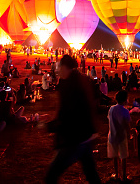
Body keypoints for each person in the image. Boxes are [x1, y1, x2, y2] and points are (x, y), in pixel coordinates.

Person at [46, 55, 100, 184]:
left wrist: (50, 126)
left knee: (51, 175)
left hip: (73, 138)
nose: (57, 70)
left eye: (59, 67)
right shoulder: (81, 80)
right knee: (91, 174)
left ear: (65, 67)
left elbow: (69, 113)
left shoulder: (70, 86)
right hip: (86, 135)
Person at [107, 90, 131, 182]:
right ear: (125, 99)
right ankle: (124, 176)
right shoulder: (125, 111)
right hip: (121, 137)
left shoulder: (111, 109)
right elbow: (126, 125)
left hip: (112, 136)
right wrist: (129, 134)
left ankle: (117, 174)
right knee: (123, 156)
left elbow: (109, 119)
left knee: (115, 156)